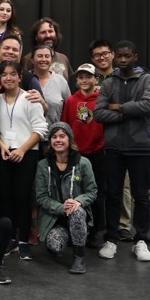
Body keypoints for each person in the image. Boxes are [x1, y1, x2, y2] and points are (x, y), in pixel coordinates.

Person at [94, 41, 150, 262]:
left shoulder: (147, 80)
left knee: (141, 196)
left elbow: (148, 106)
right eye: (119, 56)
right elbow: (99, 113)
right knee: (112, 194)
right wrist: (129, 111)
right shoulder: (109, 83)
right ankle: (111, 238)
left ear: (135, 57)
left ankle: (141, 240)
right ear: (115, 57)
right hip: (114, 148)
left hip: (140, 146)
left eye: (127, 56)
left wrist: (119, 107)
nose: (122, 60)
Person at [0, 61, 48, 261]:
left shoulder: (30, 98)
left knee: (22, 198)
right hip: (3, 152)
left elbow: (41, 129)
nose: (8, 78)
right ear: (0, 79)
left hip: (26, 153)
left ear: (19, 76)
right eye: (4, 74)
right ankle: (9, 239)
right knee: (4, 197)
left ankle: (23, 240)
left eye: (12, 74)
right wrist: (3, 146)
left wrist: (22, 149)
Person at [35, 123, 98, 274]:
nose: (58, 140)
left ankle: (78, 257)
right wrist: (60, 207)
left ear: (70, 140)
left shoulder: (83, 163)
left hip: (76, 213)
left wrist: (78, 202)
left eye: (62, 136)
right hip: (54, 217)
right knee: (55, 245)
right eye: (54, 137)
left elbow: (92, 191)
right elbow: (41, 196)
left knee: (76, 212)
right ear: (50, 141)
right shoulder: (43, 165)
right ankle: (70, 236)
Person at [61, 63, 106, 247]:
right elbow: (65, 124)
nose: (84, 80)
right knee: (74, 192)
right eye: (80, 77)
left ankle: (95, 232)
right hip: (77, 153)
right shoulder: (72, 101)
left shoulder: (102, 99)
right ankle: (76, 229)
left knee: (97, 192)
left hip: (97, 152)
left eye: (88, 76)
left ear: (96, 79)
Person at [31, 45, 71, 125]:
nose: (44, 59)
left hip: (55, 135)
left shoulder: (60, 81)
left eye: (47, 56)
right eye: (40, 56)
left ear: (51, 60)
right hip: (30, 134)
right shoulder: (26, 79)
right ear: (32, 60)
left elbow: (69, 109)